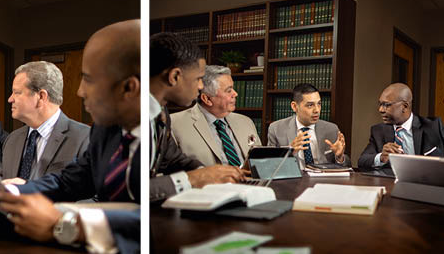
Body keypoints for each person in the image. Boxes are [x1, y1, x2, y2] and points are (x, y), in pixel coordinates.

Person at [0, 20, 141, 254]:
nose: (80, 91)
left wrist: (64, 223)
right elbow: (68, 181)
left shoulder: (152, 131)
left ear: (129, 88)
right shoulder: (104, 131)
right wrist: (6, 192)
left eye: (88, 79)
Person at [149, 32, 244, 202]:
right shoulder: (128, 116)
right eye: (198, 79)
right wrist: (192, 179)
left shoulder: (162, 115)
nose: (201, 87)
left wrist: (210, 173)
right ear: (174, 77)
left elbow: (173, 160)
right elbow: (126, 189)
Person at [0, 61, 89, 181]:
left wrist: (29, 189)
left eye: (17, 92)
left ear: (41, 96)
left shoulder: (84, 138)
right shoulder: (12, 139)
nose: (10, 99)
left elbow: (93, 192)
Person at [171, 65, 261, 167]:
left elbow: (262, 163)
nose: (235, 94)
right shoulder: (173, 125)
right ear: (207, 99)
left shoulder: (246, 122)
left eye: (233, 88)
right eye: (229, 90)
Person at [358, 83, 444, 169]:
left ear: (404, 106)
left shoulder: (433, 126)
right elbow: (362, 161)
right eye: (380, 104)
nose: (381, 110)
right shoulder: (379, 131)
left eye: (386, 105)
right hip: (391, 180)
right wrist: (381, 157)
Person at [267, 83, 349, 167]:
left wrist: (339, 157)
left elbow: (347, 165)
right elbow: (268, 165)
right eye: (310, 105)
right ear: (294, 106)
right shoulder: (276, 129)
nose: (317, 110)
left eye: (319, 104)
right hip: (293, 175)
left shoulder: (331, 129)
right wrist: (289, 152)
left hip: (322, 175)